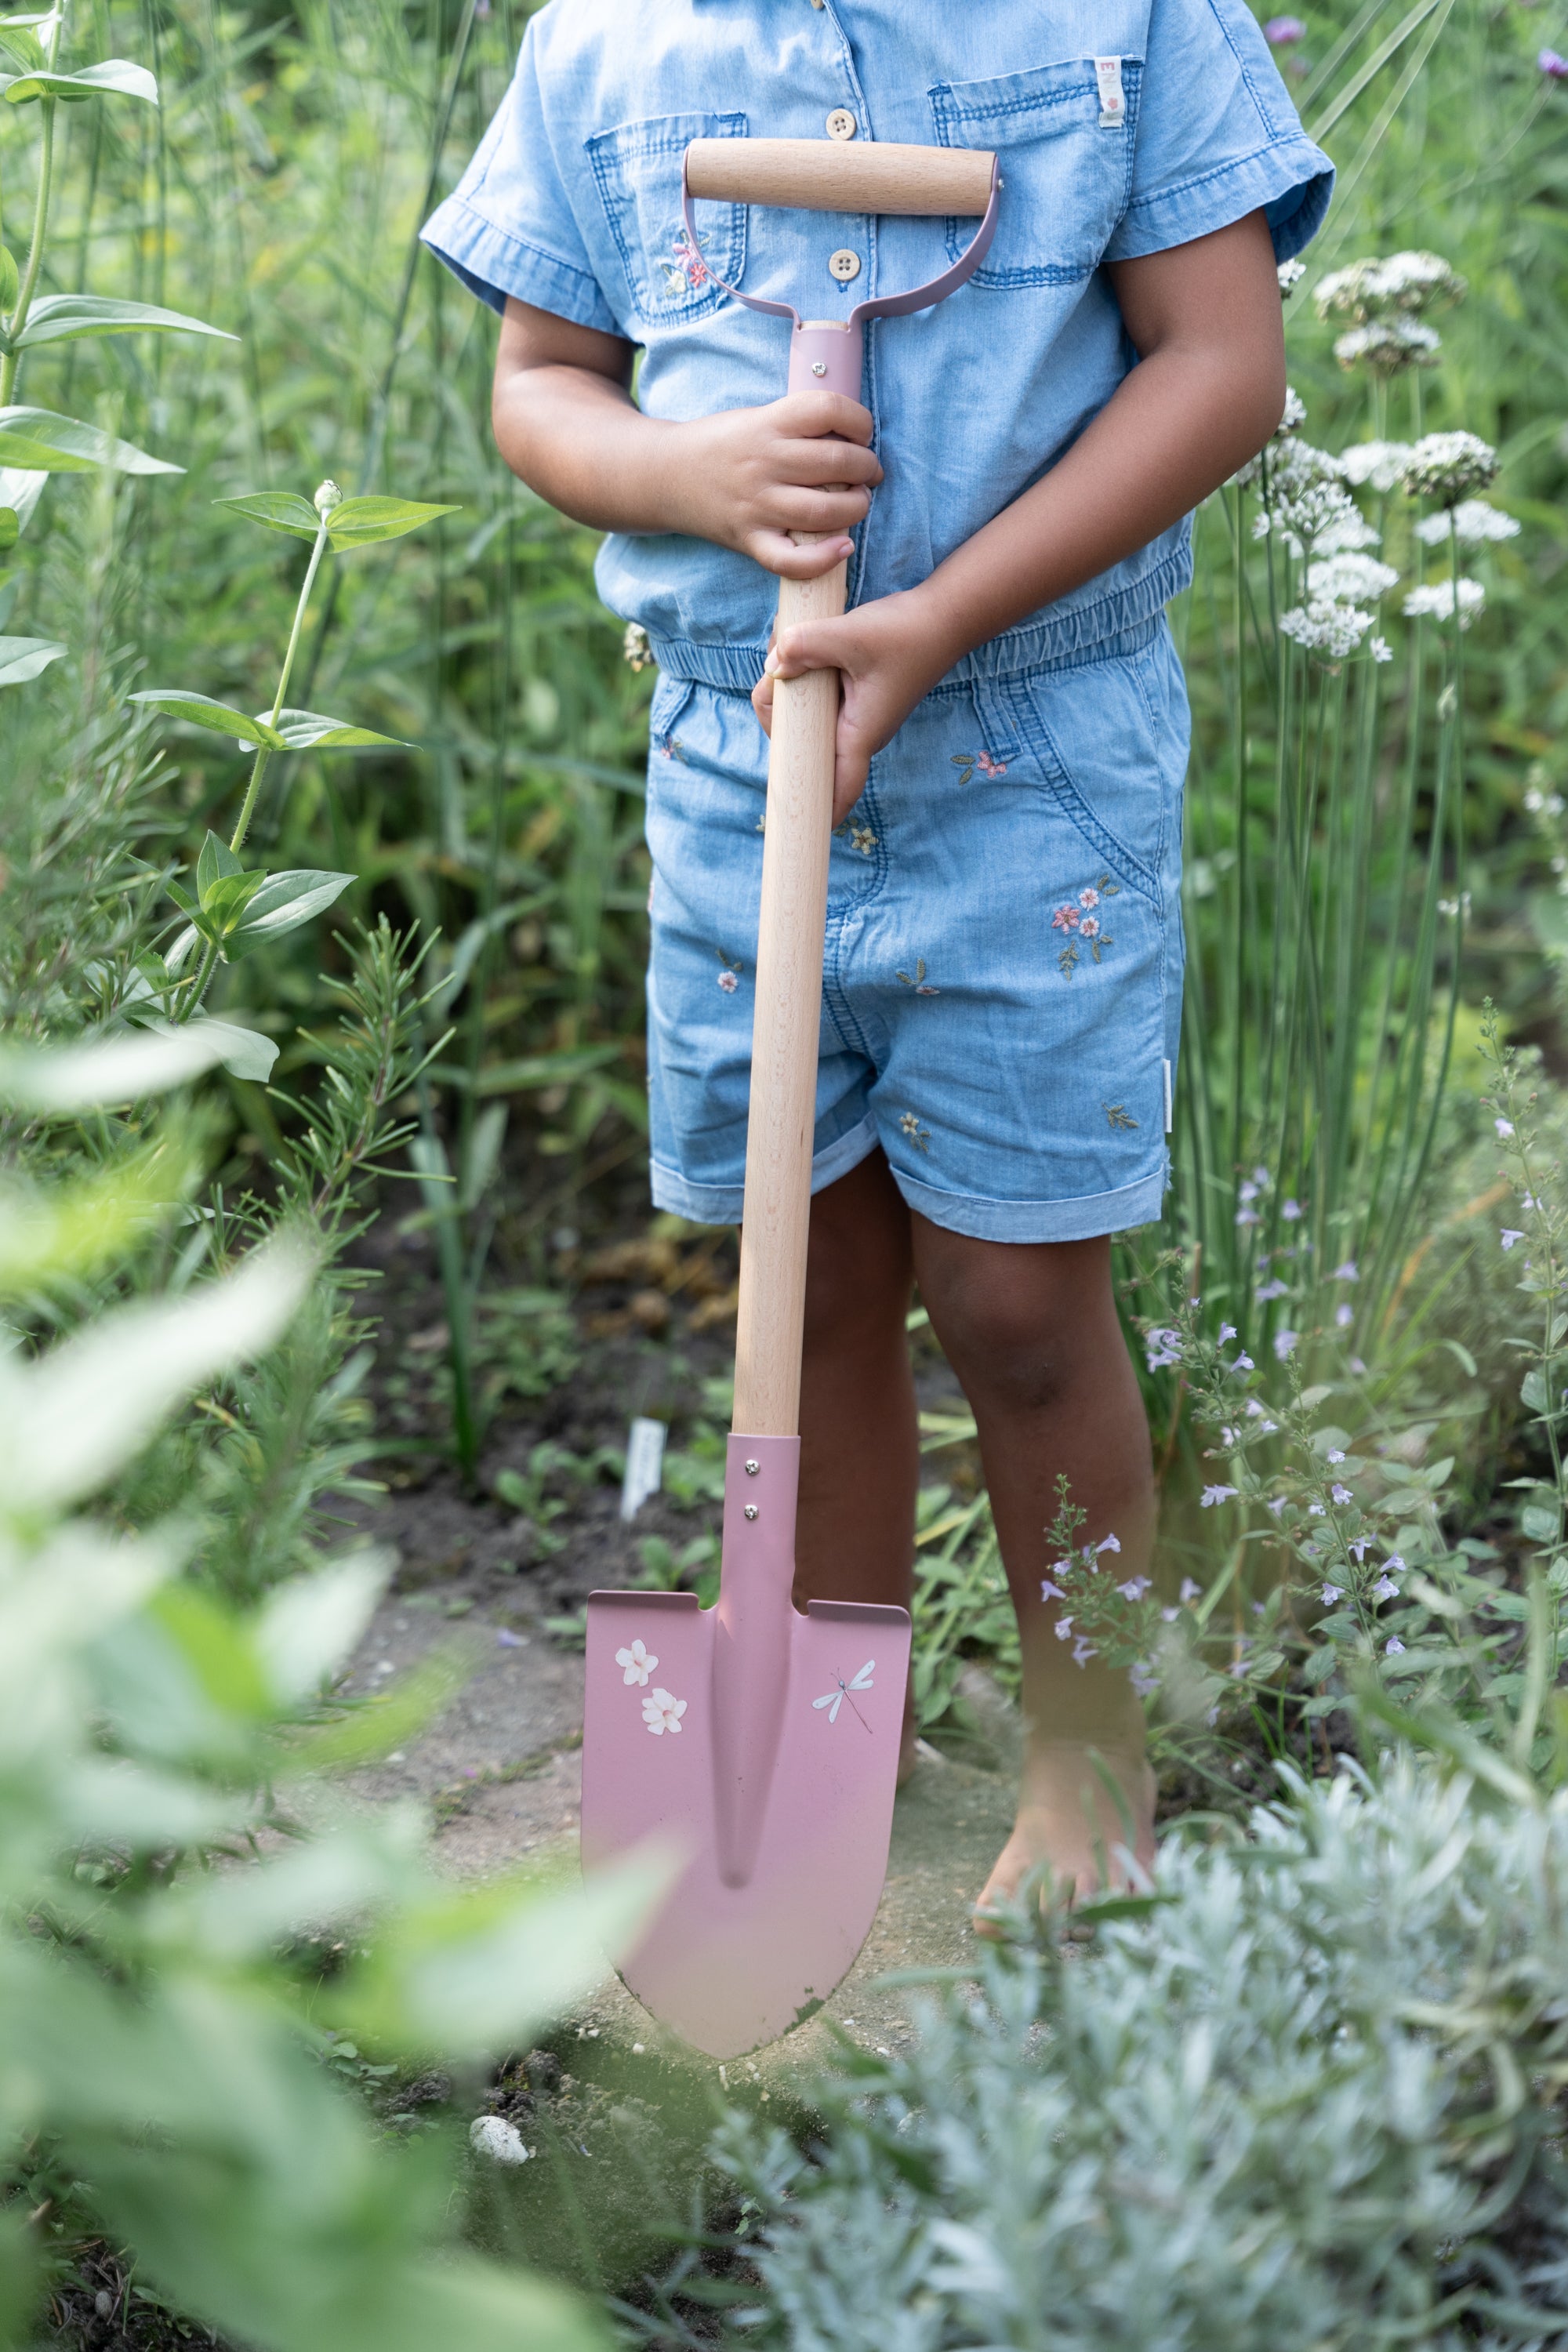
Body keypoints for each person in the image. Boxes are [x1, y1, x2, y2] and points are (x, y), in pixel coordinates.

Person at [423, 0, 1332, 1917]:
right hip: (735, 756)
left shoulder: (1126, 23)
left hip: (1031, 757)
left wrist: (927, 618)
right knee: (802, 1270)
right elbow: (543, 385)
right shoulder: (599, 50)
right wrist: (695, 476)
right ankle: (828, 1745)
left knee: (1016, 1299)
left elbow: (1224, 367)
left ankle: (1089, 1771)